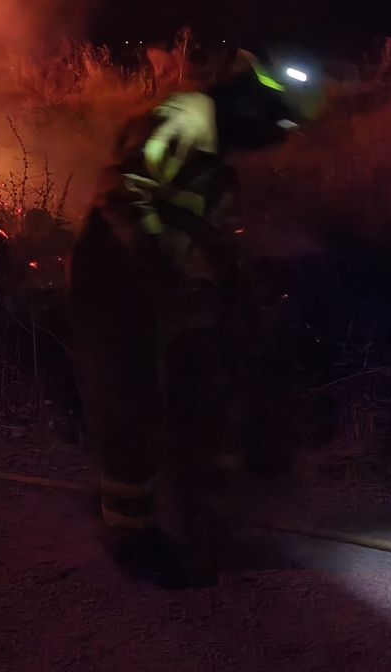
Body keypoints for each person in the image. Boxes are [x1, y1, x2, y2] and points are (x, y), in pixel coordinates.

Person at [68, 49, 323, 585]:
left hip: (167, 286)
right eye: (276, 125)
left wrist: (231, 281)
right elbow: (124, 195)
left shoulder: (215, 152)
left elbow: (204, 230)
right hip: (116, 284)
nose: (274, 140)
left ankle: (205, 524)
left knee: (204, 397)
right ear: (251, 106)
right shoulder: (182, 120)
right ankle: (131, 535)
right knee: (130, 404)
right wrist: (168, 265)